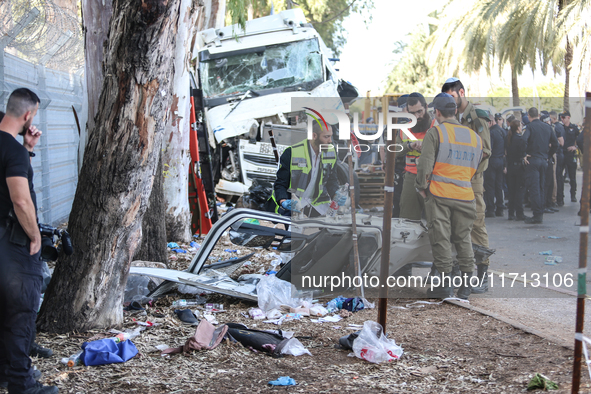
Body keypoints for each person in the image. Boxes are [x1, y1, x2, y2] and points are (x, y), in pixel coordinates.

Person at [0, 89, 59, 393]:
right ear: (28, 115)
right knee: (21, 311)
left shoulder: (14, 149)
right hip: (12, 245)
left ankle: (5, 373)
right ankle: (22, 384)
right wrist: (35, 235)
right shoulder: (12, 151)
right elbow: (20, 201)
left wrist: (27, 147)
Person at [415, 93, 482, 299]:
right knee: (464, 239)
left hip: (440, 194)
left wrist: (422, 187)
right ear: (455, 111)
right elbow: (476, 167)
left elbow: (425, 163)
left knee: (441, 238)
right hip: (465, 194)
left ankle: (445, 286)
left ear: (436, 112)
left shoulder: (436, 133)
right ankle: (466, 286)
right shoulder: (474, 137)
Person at [441, 77, 491, 293]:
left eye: (452, 96)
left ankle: (482, 275)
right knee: (454, 227)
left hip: (472, 181)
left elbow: (486, 150)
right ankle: (458, 273)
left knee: (476, 226)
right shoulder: (448, 117)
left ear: (461, 92)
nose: (449, 101)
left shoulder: (476, 117)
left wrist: (467, 172)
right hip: (452, 182)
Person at [267, 120, 341, 217]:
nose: (330, 141)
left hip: (316, 204)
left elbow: (332, 180)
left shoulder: (331, 152)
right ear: (314, 136)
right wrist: (283, 201)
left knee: (332, 227)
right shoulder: (291, 153)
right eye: (326, 137)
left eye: (331, 136)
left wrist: (336, 193)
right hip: (292, 203)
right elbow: (281, 183)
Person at [396, 92, 437, 221]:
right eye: (412, 113)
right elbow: (393, 150)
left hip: (433, 177)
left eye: (419, 111)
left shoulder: (437, 126)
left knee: (436, 220)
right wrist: (409, 145)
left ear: (426, 107)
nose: (416, 116)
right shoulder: (404, 128)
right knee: (407, 219)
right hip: (410, 177)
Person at [523, 107, 559, 224]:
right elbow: (555, 144)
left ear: (529, 116)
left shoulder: (529, 127)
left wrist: (524, 154)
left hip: (533, 159)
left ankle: (537, 214)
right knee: (542, 186)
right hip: (544, 160)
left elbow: (524, 140)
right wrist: (548, 155)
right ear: (538, 115)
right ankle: (541, 212)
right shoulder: (547, 127)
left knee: (534, 188)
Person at [484, 113, 506, 217]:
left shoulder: (490, 132)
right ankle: (500, 208)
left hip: (492, 161)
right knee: (499, 185)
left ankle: (491, 208)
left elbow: (489, 149)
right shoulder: (502, 131)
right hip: (501, 160)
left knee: (490, 186)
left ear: (490, 122)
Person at [506, 119, 527, 221]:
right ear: (518, 128)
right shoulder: (520, 139)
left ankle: (511, 213)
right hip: (519, 167)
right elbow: (523, 153)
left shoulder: (509, 138)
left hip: (511, 167)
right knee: (519, 190)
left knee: (512, 191)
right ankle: (519, 213)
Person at [561, 111, 580, 203]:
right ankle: (560, 196)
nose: (562, 119)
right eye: (561, 117)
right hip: (561, 153)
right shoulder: (560, 127)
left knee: (572, 176)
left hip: (570, 153)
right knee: (559, 175)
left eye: (564, 117)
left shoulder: (574, 128)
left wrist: (575, 146)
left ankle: (573, 195)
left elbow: (579, 139)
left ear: (568, 117)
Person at [550, 111, 565, 206]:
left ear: (554, 118)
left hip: (558, 154)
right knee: (559, 177)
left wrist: (553, 144)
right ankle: (560, 198)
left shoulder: (556, 127)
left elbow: (561, 142)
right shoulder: (560, 127)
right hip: (560, 154)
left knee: (557, 177)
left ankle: (558, 198)